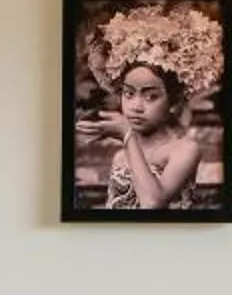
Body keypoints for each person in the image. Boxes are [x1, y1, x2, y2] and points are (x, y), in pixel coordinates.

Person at [79, 58, 205, 210]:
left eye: (151, 97)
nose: (136, 107)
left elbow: (152, 204)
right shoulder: (121, 157)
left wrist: (127, 136)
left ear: (173, 103)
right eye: (129, 93)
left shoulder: (186, 149)